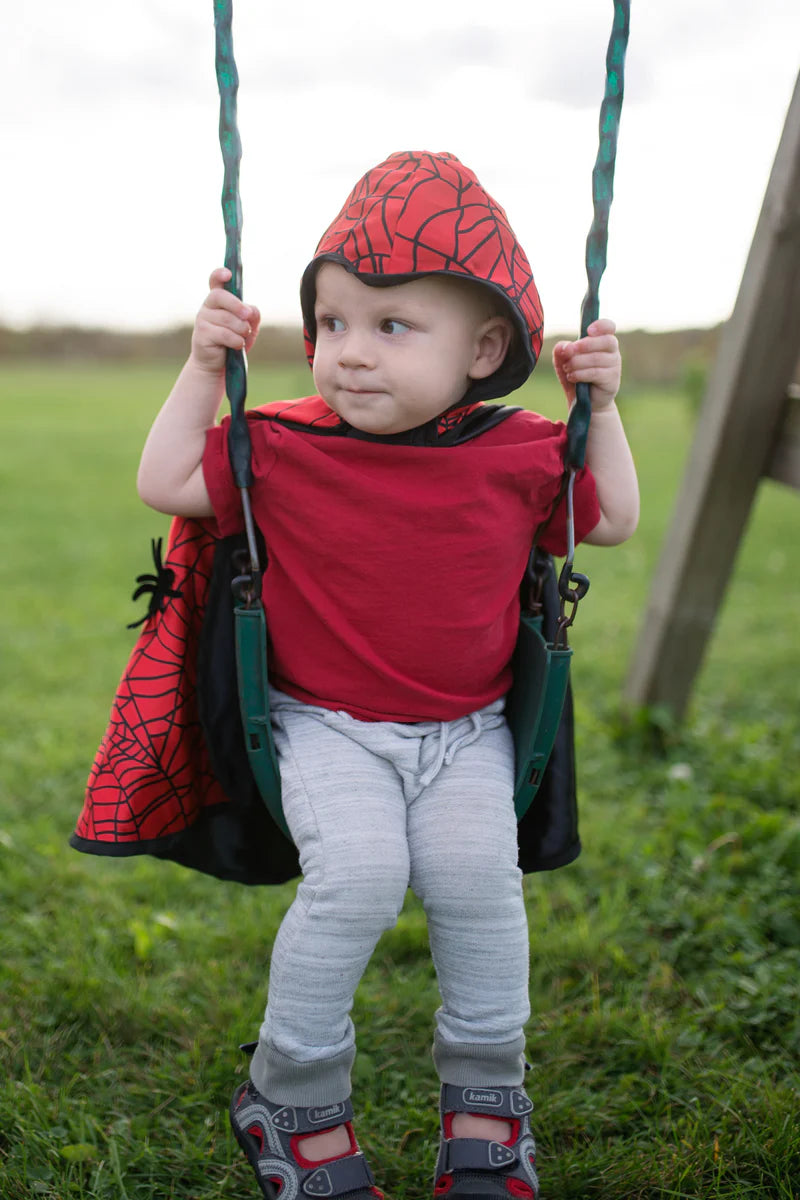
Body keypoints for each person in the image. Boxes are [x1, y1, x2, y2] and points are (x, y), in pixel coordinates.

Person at [137, 150, 639, 1200]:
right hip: (320, 727)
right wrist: (199, 365)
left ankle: (486, 1106)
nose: (349, 355)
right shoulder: (278, 445)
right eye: (332, 325)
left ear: (485, 347)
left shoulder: (520, 452)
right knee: (357, 879)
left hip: (466, 735)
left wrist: (604, 407)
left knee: (478, 891)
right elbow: (165, 481)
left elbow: (615, 520)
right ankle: (291, 1093)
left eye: (391, 326)